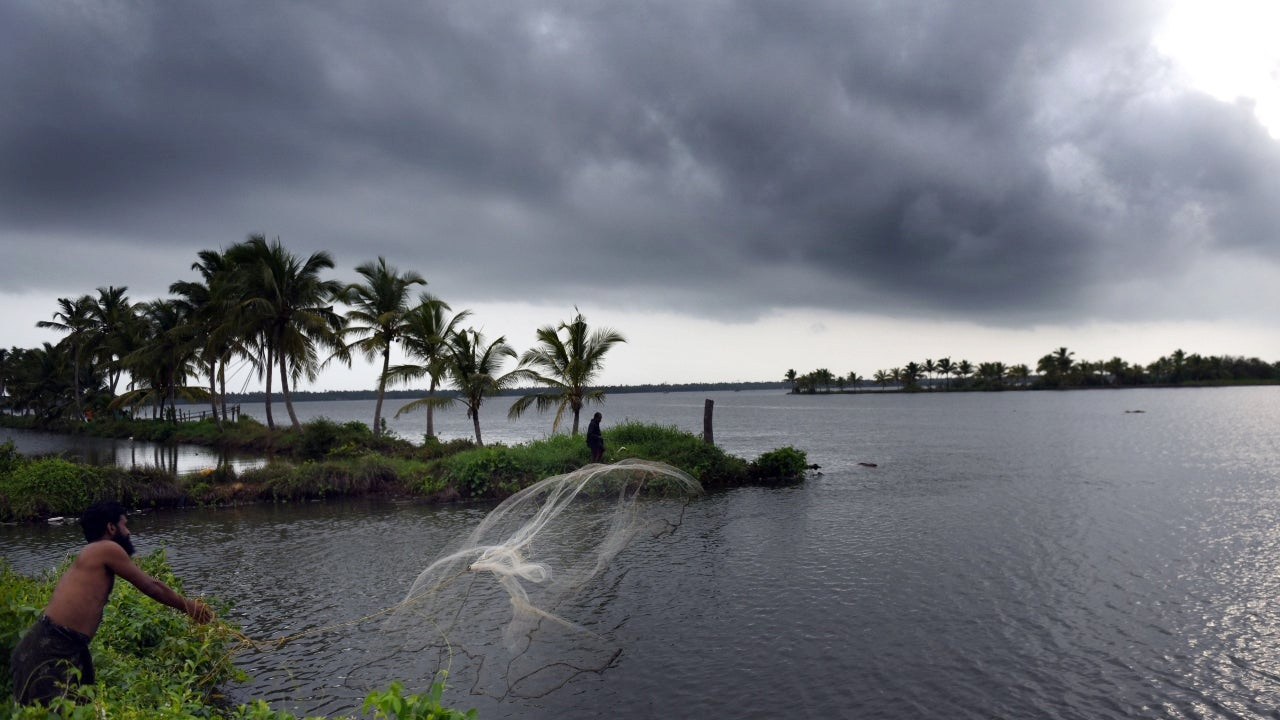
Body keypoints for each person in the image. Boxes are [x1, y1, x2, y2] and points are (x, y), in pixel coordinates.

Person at [10, 501, 214, 706]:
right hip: (49, 648)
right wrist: (189, 606)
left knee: (81, 707)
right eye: (125, 525)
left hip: (66, 646)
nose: (129, 531)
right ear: (111, 527)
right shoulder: (106, 548)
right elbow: (152, 586)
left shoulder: (94, 552)